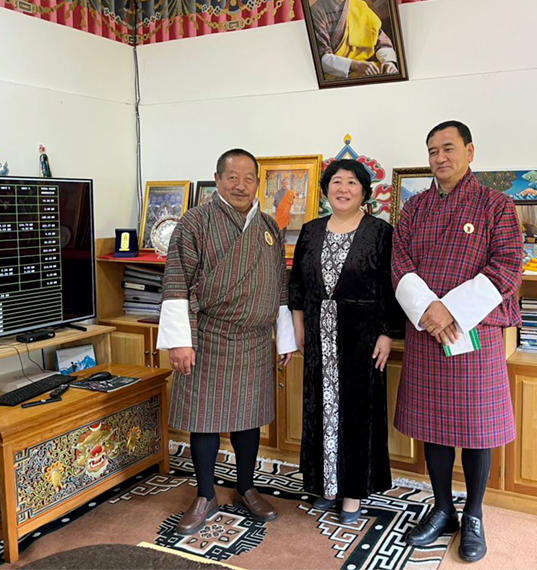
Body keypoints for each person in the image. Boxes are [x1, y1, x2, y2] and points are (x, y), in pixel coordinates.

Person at [391, 121, 523, 563]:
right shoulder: (415, 207)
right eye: (432, 151)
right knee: (434, 426)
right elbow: (400, 263)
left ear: (470, 151)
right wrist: (429, 310)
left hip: (473, 332)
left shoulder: (497, 205)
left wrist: (451, 311)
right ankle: (443, 508)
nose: (439, 158)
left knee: (478, 430)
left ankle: (475, 514)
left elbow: (508, 266)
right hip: (427, 329)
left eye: (448, 148)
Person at [156, 148, 297, 535]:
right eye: (232, 177)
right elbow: (176, 281)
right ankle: (205, 495)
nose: (240, 185)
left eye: (249, 178)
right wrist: (180, 342)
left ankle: (246, 488)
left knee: (248, 418)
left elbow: (279, 286)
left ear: (258, 184)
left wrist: (284, 338)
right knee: (204, 420)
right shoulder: (195, 222)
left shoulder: (267, 226)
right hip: (209, 335)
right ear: (217, 180)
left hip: (255, 338)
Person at [288, 159, 402, 523]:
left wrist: (386, 333)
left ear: (364, 191)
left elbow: (391, 286)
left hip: (362, 337)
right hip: (317, 335)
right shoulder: (311, 230)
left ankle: (353, 491)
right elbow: (297, 283)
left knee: (357, 413)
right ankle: (326, 485)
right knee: (320, 409)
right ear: (326, 190)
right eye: (336, 181)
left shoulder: (380, 232)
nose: (343, 188)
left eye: (352, 182)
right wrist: (298, 324)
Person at [310, 0, 399, 80]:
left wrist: (388, 62)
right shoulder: (317, 11)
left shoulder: (359, 5)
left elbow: (381, 41)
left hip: (369, 67)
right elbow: (321, 59)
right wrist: (356, 65)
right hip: (339, 72)